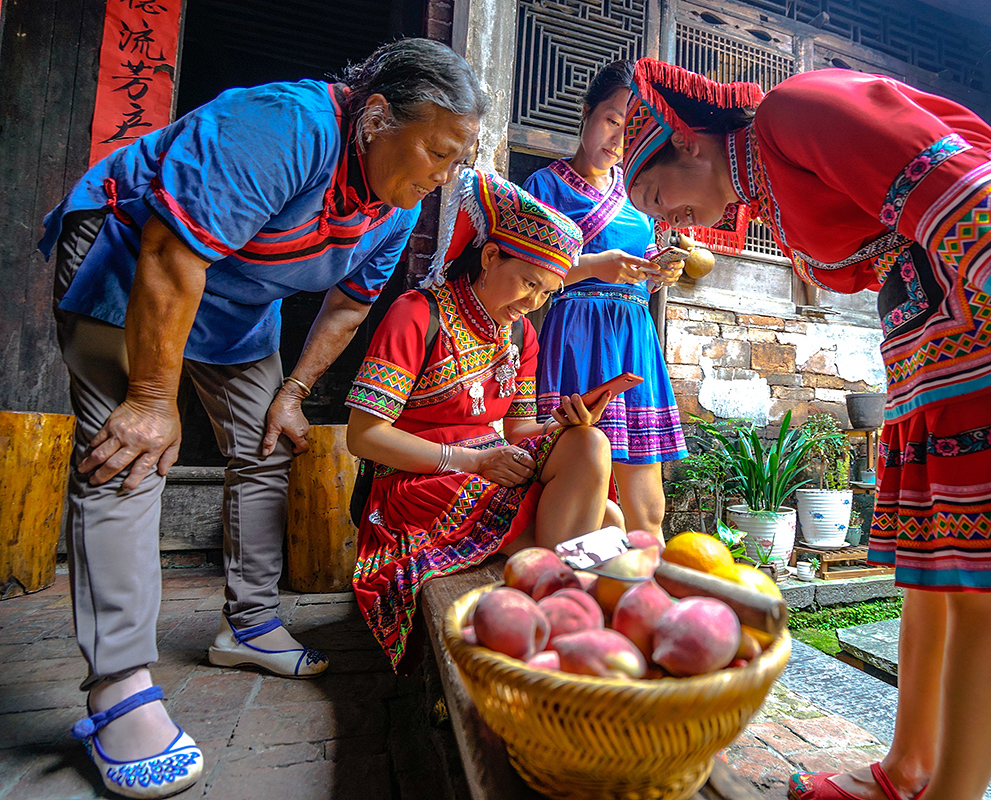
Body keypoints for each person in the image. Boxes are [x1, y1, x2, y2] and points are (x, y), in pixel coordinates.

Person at [619, 59, 991, 800]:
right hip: (942, 336)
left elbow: (966, 192)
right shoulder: (771, 190)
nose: (665, 218)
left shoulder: (794, 112)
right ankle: (909, 770)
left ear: (689, 144)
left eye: (653, 194)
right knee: (932, 571)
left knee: (988, 584)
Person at [39, 38, 487, 798]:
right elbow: (173, 251)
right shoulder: (285, 125)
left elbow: (347, 305)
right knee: (130, 450)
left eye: (457, 163)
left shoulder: (393, 205)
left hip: (237, 303)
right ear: (376, 117)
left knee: (265, 443)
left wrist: (292, 391)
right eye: (439, 153)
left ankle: (247, 626)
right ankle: (118, 686)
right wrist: (152, 399)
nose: (446, 177)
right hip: (135, 258)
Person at [346, 168, 615, 670]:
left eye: (545, 294)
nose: (530, 304)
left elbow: (519, 432)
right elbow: (364, 437)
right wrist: (469, 459)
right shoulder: (417, 314)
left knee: (590, 446)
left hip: (490, 464)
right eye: (528, 283)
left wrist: (566, 424)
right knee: (603, 526)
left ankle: (557, 606)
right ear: (490, 256)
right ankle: (561, 622)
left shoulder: (520, 338)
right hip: (419, 479)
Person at [521, 60, 688, 538]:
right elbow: (532, 274)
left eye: (629, 131)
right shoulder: (544, 186)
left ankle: (647, 595)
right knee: (582, 474)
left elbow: (644, 268)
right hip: (575, 335)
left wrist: (663, 270)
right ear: (586, 113)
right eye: (612, 121)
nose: (617, 141)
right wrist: (595, 266)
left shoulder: (638, 197)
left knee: (648, 503)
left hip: (633, 336)